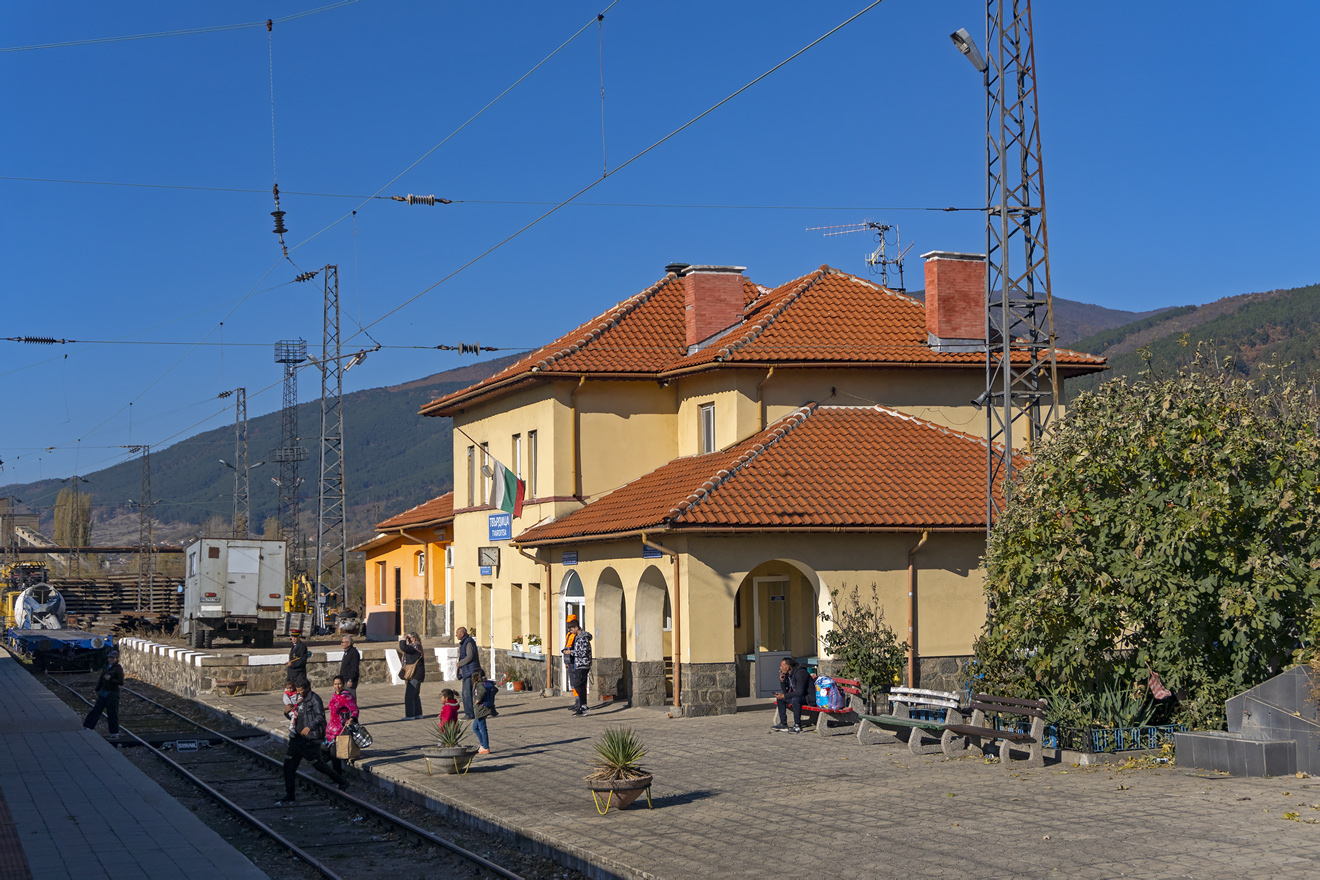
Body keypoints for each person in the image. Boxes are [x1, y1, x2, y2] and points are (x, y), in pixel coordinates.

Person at [277, 678, 346, 804]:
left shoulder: (314, 699)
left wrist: (310, 727)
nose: (299, 692)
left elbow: (320, 717)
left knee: (319, 765)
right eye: (297, 690)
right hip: (296, 738)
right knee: (288, 766)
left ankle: (342, 781)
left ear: (308, 688)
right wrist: (286, 713)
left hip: (309, 740)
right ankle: (290, 794)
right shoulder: (298, 699)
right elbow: (295, 715)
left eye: (301, 690)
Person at [83, 648, 124, 737]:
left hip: (112, 693)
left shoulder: (118, 668)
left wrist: (111, 679)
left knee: (112, 712)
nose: (111, 659)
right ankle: (88, 726)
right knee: (96, 710)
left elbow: (121, 682)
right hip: (103, 692)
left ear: (116, 659)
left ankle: (114, 732)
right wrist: (97, 689)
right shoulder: (106, 666)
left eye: (113, 658)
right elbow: (101, 679)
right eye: (110, 657)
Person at [324, 675, 359, 776]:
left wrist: (352, 719)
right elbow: (334, 706)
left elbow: (355, 709)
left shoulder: (347, 696)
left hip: (340, 729)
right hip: (330, 728)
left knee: (334, 754)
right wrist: (326, 708)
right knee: (326, 751)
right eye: (335, 684)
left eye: (339, 684)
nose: (337, 686)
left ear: (343, 684)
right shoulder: (335, 694)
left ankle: (338, 777)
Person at [562, 615, 592, 716]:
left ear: (576, 627)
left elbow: (583, 652)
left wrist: (570, 652)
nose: (570, 631)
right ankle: (583, 706)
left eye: (571, 629)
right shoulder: (579, 637)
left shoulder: (583, 638)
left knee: (579, 685)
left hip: (583, 664)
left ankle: (583, 707)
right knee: (579, 685)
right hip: (579, 664)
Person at [771, 657, 811, 733]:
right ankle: (783, 723)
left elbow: (800, 692)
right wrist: (782, 681)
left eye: (782, 666)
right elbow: (785, 691)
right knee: (780, 698)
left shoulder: (800, 673)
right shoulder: (789, 675)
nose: (780, 667)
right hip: (798, 696)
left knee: (795, 699)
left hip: (808, 697)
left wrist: (784, 696)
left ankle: (797, 725)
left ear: (788, 667)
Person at [455, 626, 481, 720]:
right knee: (467, 693)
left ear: (462, 634)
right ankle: (470, 712)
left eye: (457, 633)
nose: (456, 635)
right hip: (467, 671)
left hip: (470, 671)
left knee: (466, 693)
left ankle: (469, 714)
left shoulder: (468, 642)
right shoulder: (465, 642)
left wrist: (460, 663)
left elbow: (470, 656)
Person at [399, 632, 425, 720]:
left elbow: (403, 648)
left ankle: (410, 715)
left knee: (409, 695)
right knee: (415, 695)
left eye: (409, 638)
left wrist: (403, 639)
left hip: (415, 674)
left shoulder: (415, 647)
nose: (408, 640)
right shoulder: (417, 646)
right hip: (418, 674)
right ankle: (418, 714)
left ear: (414, 639)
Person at [472, 678, 496, 754]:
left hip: (481, 710)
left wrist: (478, 700)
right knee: (475, 727)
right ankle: (483, 745)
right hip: (480, 710)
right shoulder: (481, 683)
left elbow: (483, 691)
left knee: (482, 728)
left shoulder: (479, 684)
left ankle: (485, 747)